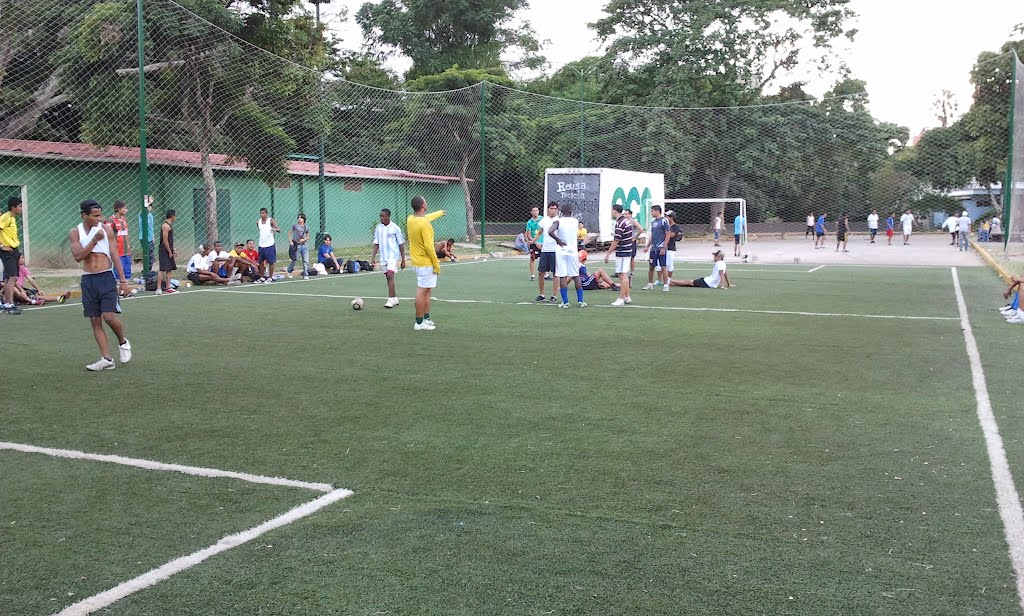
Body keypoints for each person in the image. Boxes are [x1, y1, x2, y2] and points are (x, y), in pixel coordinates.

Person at [69, 200, 133, 371]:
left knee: (109, 316)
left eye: (100, 215)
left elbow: (115, 255)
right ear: (84, 215)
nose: (99, 219)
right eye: (95, 216)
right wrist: (93, 241)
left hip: (105, 278)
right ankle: (106, 359)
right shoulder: (75, 232)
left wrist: (124, 281)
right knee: (95, 320)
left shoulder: (105, 229)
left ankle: (123, 342)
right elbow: (78, 256)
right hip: (88, 280)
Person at [407, 195, 445, 330]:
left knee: (427, 291)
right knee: (422, 291)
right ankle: (418, 323)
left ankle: (426, 318)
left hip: (417, 263)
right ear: (423, 205)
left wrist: (439, 213)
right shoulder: (425, 224)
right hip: (425, 263)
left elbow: (425, 218)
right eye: (426, 202)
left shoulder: (411, 219)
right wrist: (436, 264)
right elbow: (429, 247)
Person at [547, 203, 586, 308]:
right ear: (571, 212)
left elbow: (550, 231)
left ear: (560, 211)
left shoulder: (558, 221)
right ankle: (581, 301)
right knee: (575, 275)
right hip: (573, 251)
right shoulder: (575, 221)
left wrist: (558, 240)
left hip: (561, 251)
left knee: (563, 276)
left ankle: (565, 302)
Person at [372, 208, 406, 308]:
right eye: (380, 216)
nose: (381, 218)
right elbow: (376, 243)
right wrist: (373, 257)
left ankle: (390, 299)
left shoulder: (395, 228)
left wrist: (403, 259)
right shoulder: (378, 228)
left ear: (388, 216)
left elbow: (401, 244)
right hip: (383, 256)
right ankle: (394, 298)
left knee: (390, 275)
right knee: (388, 276)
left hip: (393, 256)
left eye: (383, 216)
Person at [604, 204, 634, 307]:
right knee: (622, 274)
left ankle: (620, 299)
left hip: (622, 251)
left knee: (622, 275)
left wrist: (608, 253)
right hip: (626, 250)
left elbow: (616, 240)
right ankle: (627, 296)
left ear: (615, 211)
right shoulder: (626, 221)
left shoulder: (620, 223)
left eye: (612, 210)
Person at [1, 196, 24, 314]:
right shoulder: (6, 217)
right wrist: (1, 246)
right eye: (20, 206)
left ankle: (7, 303)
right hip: (6, 251)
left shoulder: (13, 218)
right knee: (13, 277)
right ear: (13, 207)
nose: (21, 208)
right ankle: (9, 305)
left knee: (8, 278)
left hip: (13, 249)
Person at [535, 201, 560, 303]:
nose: (553, 211)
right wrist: (534, 241)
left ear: (557, 210)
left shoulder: (559, 221)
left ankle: (554, 296)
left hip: (555, 250)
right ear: (548, 209)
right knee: (541, 272)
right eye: (551, 208)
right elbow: (540, 232)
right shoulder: (544, 220)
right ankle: (541, 294)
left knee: (556, 273)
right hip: (545, 250)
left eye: (555, 209)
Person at [641, 205, 669, 290]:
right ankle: (650, 284)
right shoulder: (653, 222)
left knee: (663, 266)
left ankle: (665, 285)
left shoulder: (664, 221)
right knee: (651, 266)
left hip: (661, 248)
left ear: (657, 211)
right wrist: (647, 246)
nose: (651, 213)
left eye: (652, 211)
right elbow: (652, 235)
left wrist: (664, 247)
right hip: (653, 249)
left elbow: (667, 235)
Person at [155, 209, 177, 295]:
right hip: (164, 251)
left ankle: (168, 287)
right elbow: (165, 240)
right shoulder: (165, 226)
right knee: (162, 269)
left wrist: (173, 249)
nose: (175, 217)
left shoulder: (169, 226)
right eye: (175, 216)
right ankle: (158, 288)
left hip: (169, 250)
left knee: (169, 269)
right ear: (172, 216)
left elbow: (170, 240)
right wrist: (169, 251)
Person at [256, 207, 280, 283]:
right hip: (261, 245)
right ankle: (262, 277)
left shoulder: (271, 221)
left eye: (263, 213)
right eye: (260, 213)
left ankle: (270, 277)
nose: (261, 215)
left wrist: (274, 229)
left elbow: (278, 229)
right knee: (260, 262)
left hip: (270, 245)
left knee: (271, 262)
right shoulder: (258, 222)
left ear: (266, 213)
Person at [109, 200, 131, 280]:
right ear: (119, 209)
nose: (126, 210)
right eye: (124, 208)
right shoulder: (111, 221)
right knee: (118, 271)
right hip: (118, 251)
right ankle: (119, 287)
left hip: (126, 251)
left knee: (127, 271)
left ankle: (127, 287)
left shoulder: (124, 220)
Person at [287, 213, 310, 279]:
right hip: (297, 245)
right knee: (295, 259)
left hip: (304, 245)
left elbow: (308, 236)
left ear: (304, 219)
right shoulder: (295, 226)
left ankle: (306, 274)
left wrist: (304, 240)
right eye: (298, 217)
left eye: (301, 218)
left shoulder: (306, 227)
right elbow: (289, 233)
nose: (299, 219)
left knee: (305, 260)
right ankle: (289, 270)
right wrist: (290, 241)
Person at [664, 210, 682, 292]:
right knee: (661, 265)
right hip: (663, 248)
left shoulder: (675, 227)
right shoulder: (665, 225)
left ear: (671, 217)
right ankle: (662, 280)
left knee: (670, 265)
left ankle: (668, 280)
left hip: (670, 248)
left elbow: (671, 235)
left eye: (667, 216)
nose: (666, 217)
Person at [139, 195, 155, 267]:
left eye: (150, 206)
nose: (149, 207)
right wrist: (149, 201)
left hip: (150, 238)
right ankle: (145, 272)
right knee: (148, 256)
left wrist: (153, 237)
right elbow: (143, 210)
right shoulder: (142, 214)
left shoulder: (151, 216)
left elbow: (151, 227)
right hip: (144, 238)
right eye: (148, 206)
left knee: (151, 257)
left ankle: (148, 271)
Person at [526, 206, 542, 281]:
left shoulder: (542, 219)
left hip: (542, 242)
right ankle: (532, 274)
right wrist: (535, 242)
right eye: (534, 210)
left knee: (543, 258)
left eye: (537, 210)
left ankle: (545, 273)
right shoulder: (529, 222)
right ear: (531, 212)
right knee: (532, 258)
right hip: (534, 242)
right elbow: (528, 234)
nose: (535, 212)